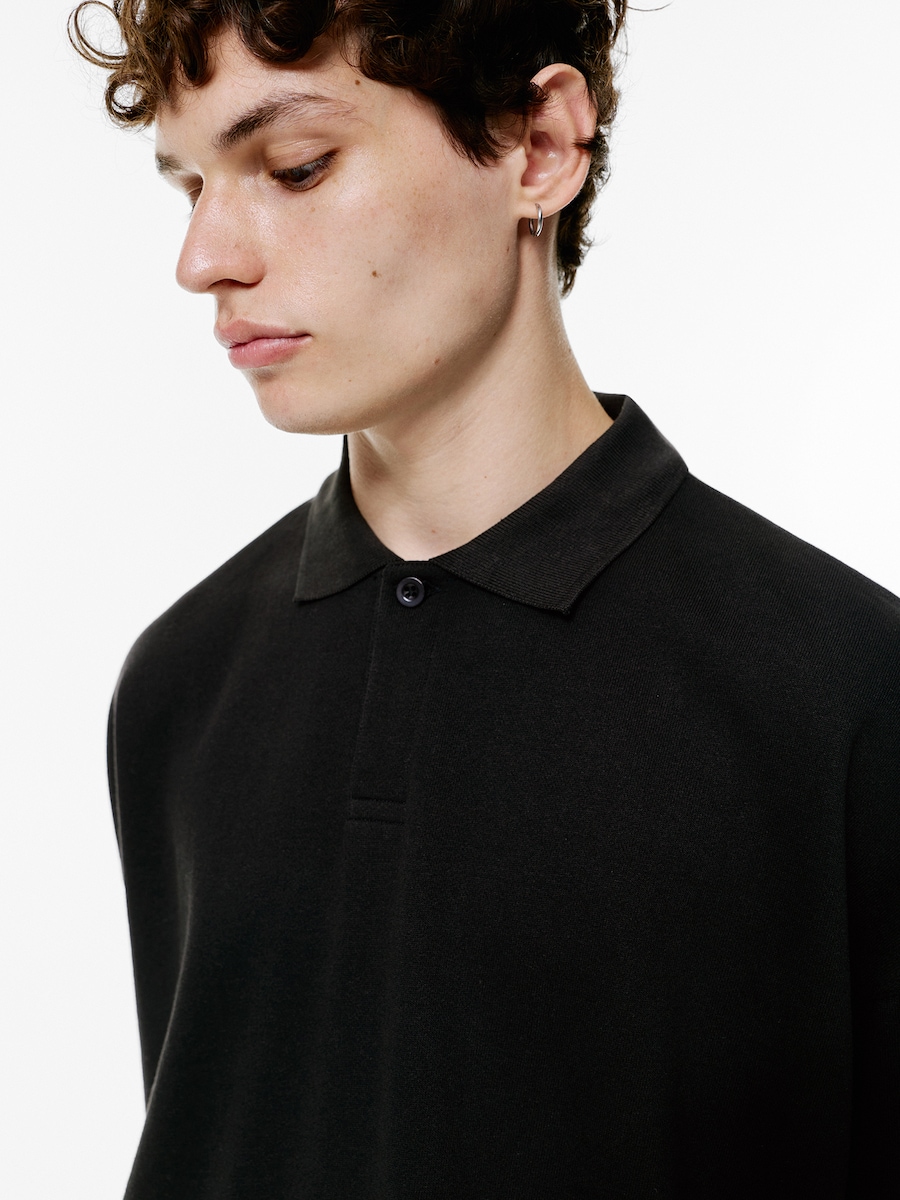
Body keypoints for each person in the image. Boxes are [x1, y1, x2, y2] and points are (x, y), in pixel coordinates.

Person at [70, 2, 898, 1196]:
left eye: (295, 167)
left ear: (539, 145)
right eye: (191, 186)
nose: (204, 260)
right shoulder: (180, 683)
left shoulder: (845, 693)